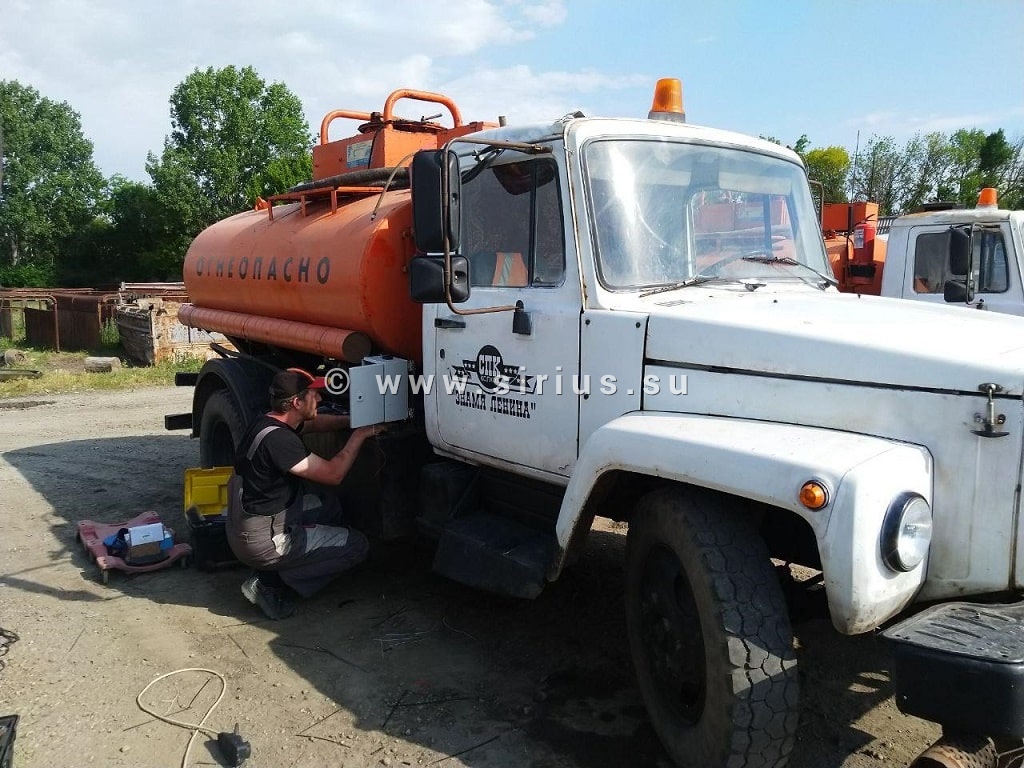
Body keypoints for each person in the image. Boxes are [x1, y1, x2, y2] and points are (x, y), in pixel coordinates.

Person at [226, 367, 384, 620]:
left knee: (330, 506)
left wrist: (351, 420)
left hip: (246, 526)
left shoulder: (267, 423)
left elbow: (314, 424)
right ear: (297, 403)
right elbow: (334, 474)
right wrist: (360, 435)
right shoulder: (280, 443)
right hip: (264, 540)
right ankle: (270, 582)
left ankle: (286, 560)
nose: (320, 399)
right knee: (358, 545)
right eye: (314, 395)